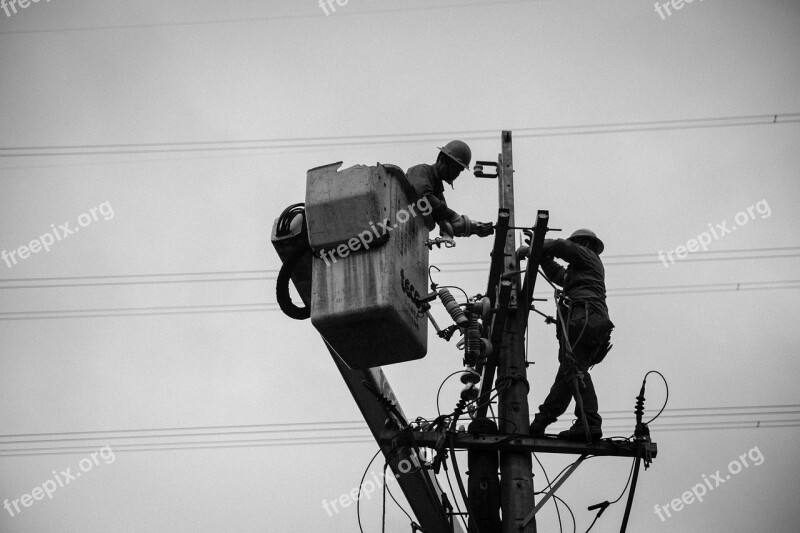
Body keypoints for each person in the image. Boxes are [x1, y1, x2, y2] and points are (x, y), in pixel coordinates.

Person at [528, 229, 614, 440]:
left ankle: (590, 423)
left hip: (585, 318)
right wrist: (541, 256)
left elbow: (562, 247)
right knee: (568, 375)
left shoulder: (588, 256)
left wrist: (538, 245)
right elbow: (558, 274)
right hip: (585, 321)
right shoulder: (578, 272)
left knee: (575, 369)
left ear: (584, 243)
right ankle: (541, 421)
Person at [406, 140, 493, 240]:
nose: (456, 175)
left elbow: (448, 222)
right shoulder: (421, 170)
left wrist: (473, 228)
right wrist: (453, 216)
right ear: (442, 160)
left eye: (460, 171)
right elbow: (423, 197)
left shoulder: (437, 189)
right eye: (455, 169)